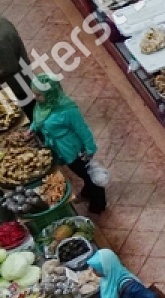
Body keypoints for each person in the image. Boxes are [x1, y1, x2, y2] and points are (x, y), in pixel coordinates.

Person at [31, 74, 106, 213]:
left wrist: (90, 150)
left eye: (38, 95)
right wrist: (32, 129)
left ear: (50, 93)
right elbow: (38, 120)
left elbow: (83, 130)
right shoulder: (43, 105)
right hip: (59, 149)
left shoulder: (68, 110)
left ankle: (98, 203)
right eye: (34, 94)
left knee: (88, 176)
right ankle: (87, 192)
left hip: (74, 150)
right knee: (82, 174)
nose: (35, 98)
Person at [0, 15, 30, 112]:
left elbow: (9, 68)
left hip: (17, 82)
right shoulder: (2, 21)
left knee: (27, 106)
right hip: (22, 69)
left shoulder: (1, 40)